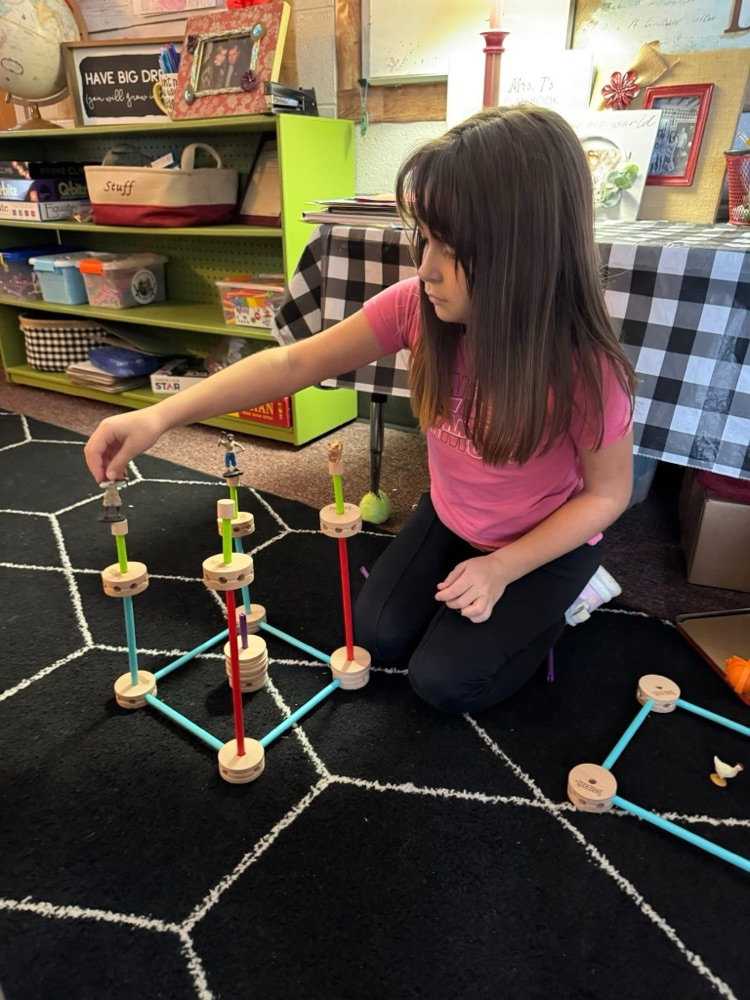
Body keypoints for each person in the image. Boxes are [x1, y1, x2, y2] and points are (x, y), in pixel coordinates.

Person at [83, 105, 635, 715]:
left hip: (545, 543)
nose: (424, 266)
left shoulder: (585, 367)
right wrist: (160, 416)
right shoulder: (415, 307)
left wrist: (504, 568)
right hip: (454, 517)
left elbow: (606, 496)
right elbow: (290, 365)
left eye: (450, 247)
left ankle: (567, 605)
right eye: (424, 237)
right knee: (374, 636)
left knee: (445, 684)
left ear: (526, 251)